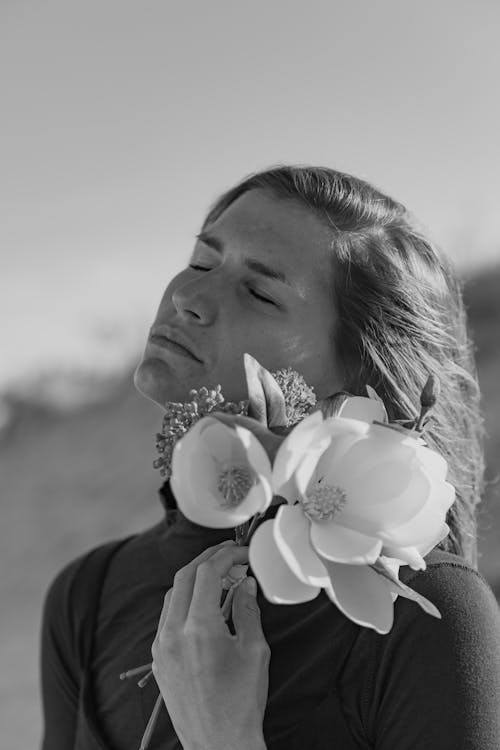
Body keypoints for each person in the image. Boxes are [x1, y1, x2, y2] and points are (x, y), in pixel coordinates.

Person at [40, 165, 500, 749]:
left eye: (259, 291)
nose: (187, 295)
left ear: (357, 377)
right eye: (203, 261)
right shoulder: (87, 594)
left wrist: (224, 738)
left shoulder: (426, 614)